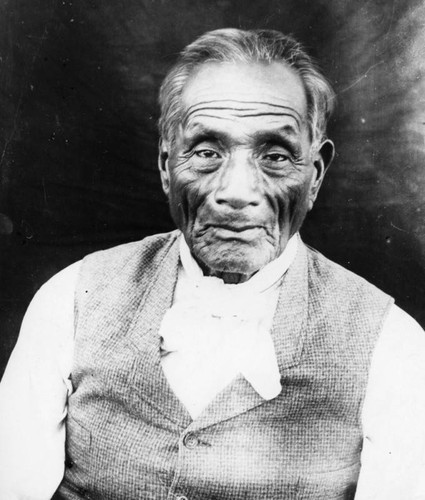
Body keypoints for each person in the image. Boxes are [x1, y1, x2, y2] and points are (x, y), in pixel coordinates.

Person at [1, 28, 425, 500]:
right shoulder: (72, 299)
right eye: (206, 153)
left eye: (276, 156)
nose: (236, 193)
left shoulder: (393, 344)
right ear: (167, 165)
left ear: (315, 174)